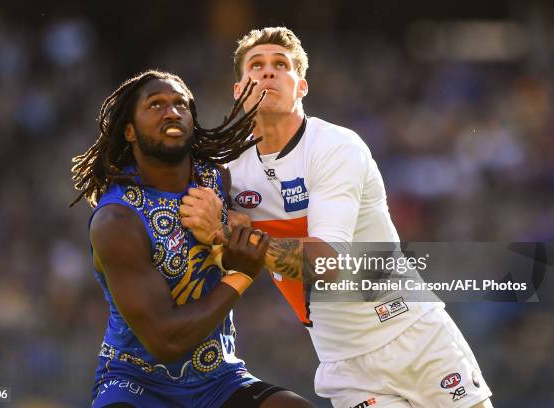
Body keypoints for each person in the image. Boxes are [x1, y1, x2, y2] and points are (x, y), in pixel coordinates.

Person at [182, 28, 494, 408]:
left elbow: (328, 262)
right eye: (256, 65)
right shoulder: (225, 169)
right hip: (344, 364)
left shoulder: (335, 147)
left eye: (281, 65)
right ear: (238, 89)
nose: (268, 73)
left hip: (412, 333)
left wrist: (229, 231)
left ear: (301, 87)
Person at [70, 69, 314, 408]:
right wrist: (240, 276)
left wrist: (228, 236)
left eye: (180, 104)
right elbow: (166, 340)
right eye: (155, 104)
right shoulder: (118, 220)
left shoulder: (222, 180)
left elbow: (304, 258)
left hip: (220, 379)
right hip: (137, 385)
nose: (171, 111)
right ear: (129, 130)